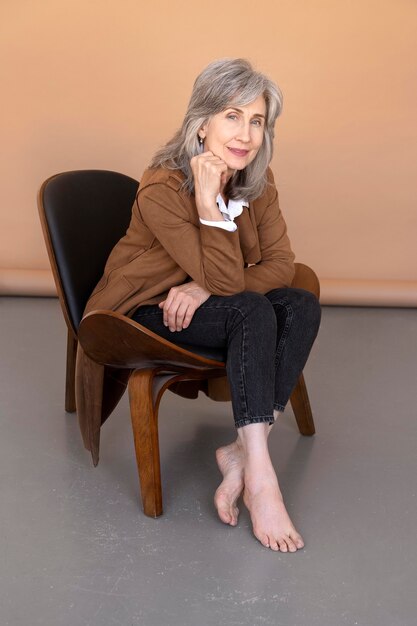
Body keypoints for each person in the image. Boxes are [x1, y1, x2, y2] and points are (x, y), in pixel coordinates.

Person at [84, 58, 321, 552]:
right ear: (201, 123)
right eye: (232, 116)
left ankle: (242, 454)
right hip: (143, 311)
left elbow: (282, 263)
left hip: (202, 301)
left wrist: (203, 287)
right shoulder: (162, 186)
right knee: (254, 310)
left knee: (299, 302)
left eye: (257, 120)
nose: (246, 134)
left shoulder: (259, 178)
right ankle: (261, 481)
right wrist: (210, 207)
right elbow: (229, 279)